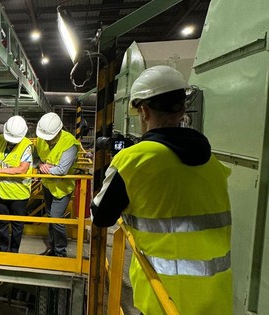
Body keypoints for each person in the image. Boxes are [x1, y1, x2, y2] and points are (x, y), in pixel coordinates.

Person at [91, 65, 232, 315]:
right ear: (182, 109)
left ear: (143, 111)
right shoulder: (214, 165)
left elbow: (101, 217)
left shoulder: (134, 160)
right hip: (215, 299)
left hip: (162, 298)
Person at [34, 112, 80, 257]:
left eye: (50, 138)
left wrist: (44, 170)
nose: (46, 141)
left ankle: (61, 252)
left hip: (62, 188)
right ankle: (52, 248)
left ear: (59, 131)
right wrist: (40, 164)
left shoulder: (69, 143)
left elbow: (62, 169)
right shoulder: (42, 139)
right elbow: (36, 157)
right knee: (50, 216)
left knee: (55, 217)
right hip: (48, 185)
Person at [0, 115, 33, 253]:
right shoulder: (0, 139)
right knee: (1, 223)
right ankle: (3, 249)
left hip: (18, 193)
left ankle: (13, 251)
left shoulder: (26, 146)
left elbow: (22, 169)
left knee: (17, 225)